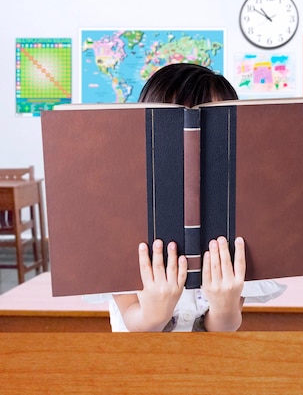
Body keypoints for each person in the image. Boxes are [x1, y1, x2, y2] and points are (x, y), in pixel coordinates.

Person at [108, 63, 286, 332]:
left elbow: (224, 327)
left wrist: (225, 307)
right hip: (137, 367)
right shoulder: (120, 212)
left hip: (209, 367)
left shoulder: (238, 211)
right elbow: (132, 321)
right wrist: (154, 315)